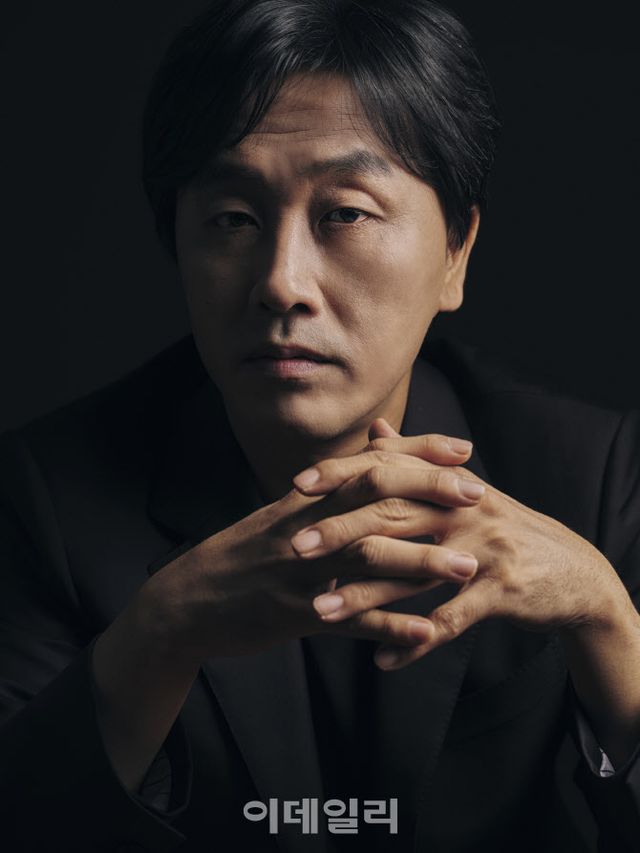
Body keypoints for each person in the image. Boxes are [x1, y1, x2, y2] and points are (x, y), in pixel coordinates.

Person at [1, 1, 639, 851]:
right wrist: (158, 635)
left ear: (456, 251)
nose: (282, 282)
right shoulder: (45, 496)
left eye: (345, 213)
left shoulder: (595, 473)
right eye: (234, 218)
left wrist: (608, 621)